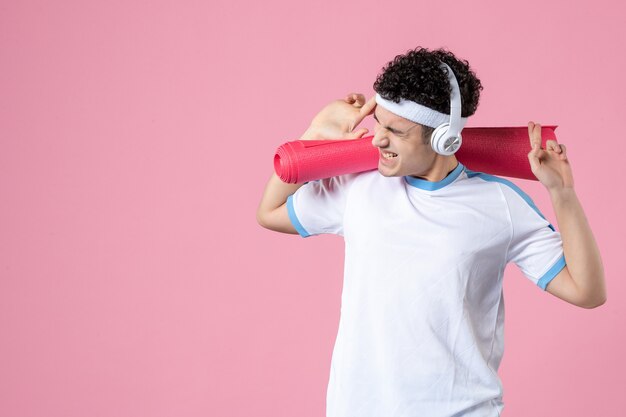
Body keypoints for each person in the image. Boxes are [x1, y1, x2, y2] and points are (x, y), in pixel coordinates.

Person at [256, 47, 606, 417]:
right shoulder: (361, 187)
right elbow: (270, 211)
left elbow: (587, 291)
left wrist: (562, 193)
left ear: (444, 139)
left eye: (395, 130)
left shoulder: (499, 203)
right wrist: (315, 134)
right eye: (379, 123)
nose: (376, 140)